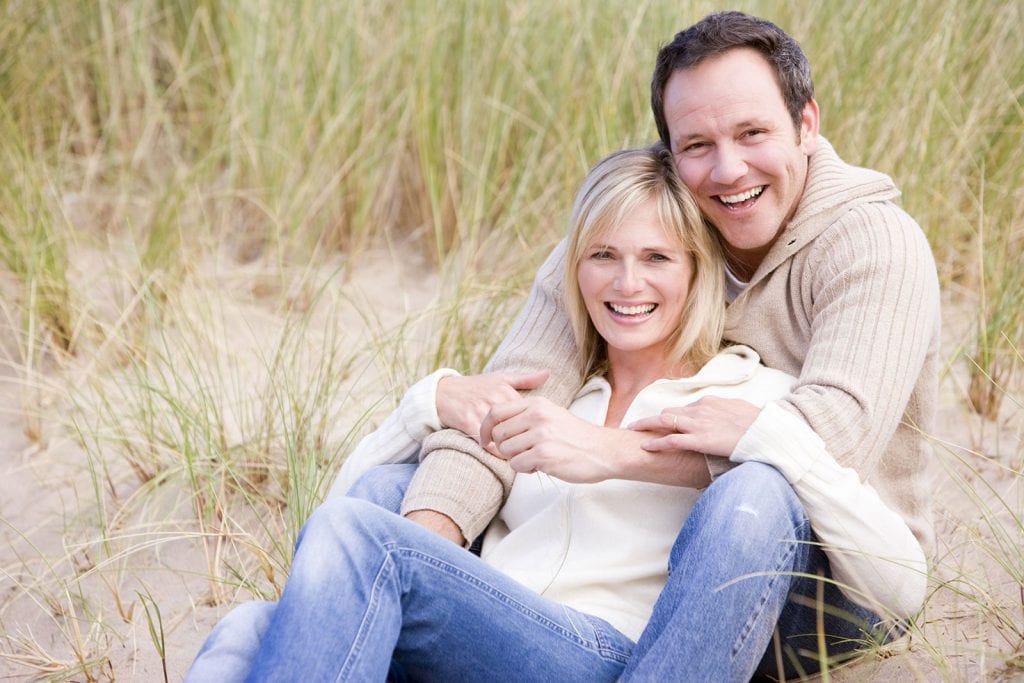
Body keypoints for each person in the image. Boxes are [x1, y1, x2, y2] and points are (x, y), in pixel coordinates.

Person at [185, 145, 925, 681]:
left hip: (603, 654)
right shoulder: (551, 392)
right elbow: (339, 534)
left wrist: (768, 442)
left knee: (356, 543)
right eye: (602, 254)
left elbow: (899, 582)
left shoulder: (741, 398)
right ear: (573, 268)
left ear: (699, 273)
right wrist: (424, 405)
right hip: (485, 636)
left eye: (658, 258)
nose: (626, 281)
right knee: (250, 623)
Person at [396, 10, 941, 681]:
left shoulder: (873, 243)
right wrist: (411, 552)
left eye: (753, 133)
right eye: (698, 144)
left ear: (806, 124)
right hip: (665, 554)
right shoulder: (649, 232)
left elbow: (828, 442)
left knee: (755, 496)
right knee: (394, 491)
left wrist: (611, 450)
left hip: (834, 578)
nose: (729, 168)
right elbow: (509, 398)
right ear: (669, 152)